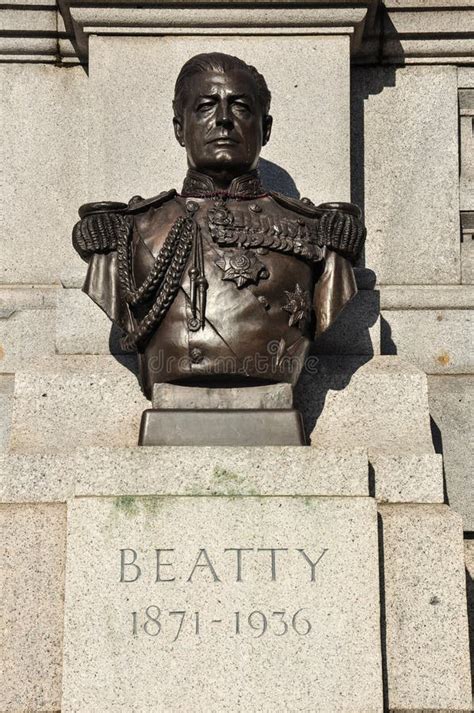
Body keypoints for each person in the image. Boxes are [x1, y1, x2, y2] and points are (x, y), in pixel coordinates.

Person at [72, 52, 365, 399]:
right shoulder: (129, 230)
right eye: (206, 106)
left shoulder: (316, 231)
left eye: (240, 106)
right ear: (180, 129)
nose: (224, 119)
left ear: (265, 128)